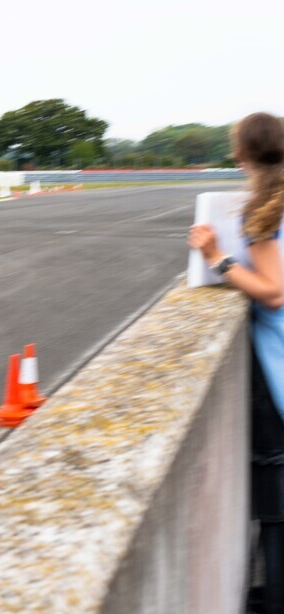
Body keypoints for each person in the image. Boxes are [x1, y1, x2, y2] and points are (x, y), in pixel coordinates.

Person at [189, 112, 284, 614]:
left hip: (277, 371)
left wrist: (216, 257)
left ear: (241, 155)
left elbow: (272, 292)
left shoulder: (264, 211)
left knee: (276, 506)